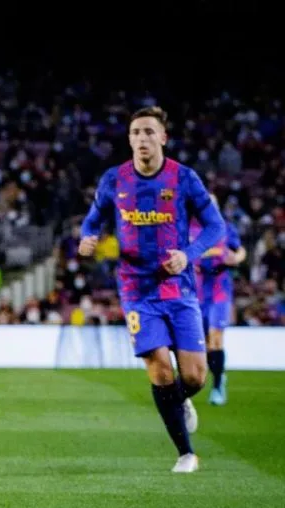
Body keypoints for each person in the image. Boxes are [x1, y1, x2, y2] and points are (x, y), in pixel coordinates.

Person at [79, 106, 225, 473]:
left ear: (163, 137)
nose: (142, 138)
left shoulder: (184, 178)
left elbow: (215, 226)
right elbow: (92, 221)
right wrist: (87, 238)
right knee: (159, 371)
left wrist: (188, 254)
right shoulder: (114, 179)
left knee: (195, 376)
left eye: (148, 131)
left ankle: (179, 399)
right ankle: (186, 454)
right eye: (135, 132)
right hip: (136, 290)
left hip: (178, 288)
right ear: (129, 140)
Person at [190, 196, 246, 405]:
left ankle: (217, 386)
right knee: (203, 341)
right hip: (197, 291)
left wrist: (236, 258)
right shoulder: (187, 229)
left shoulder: (225, 227)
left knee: (216, 338)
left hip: (219, 290)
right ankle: (217, 374)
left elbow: (239, 250)